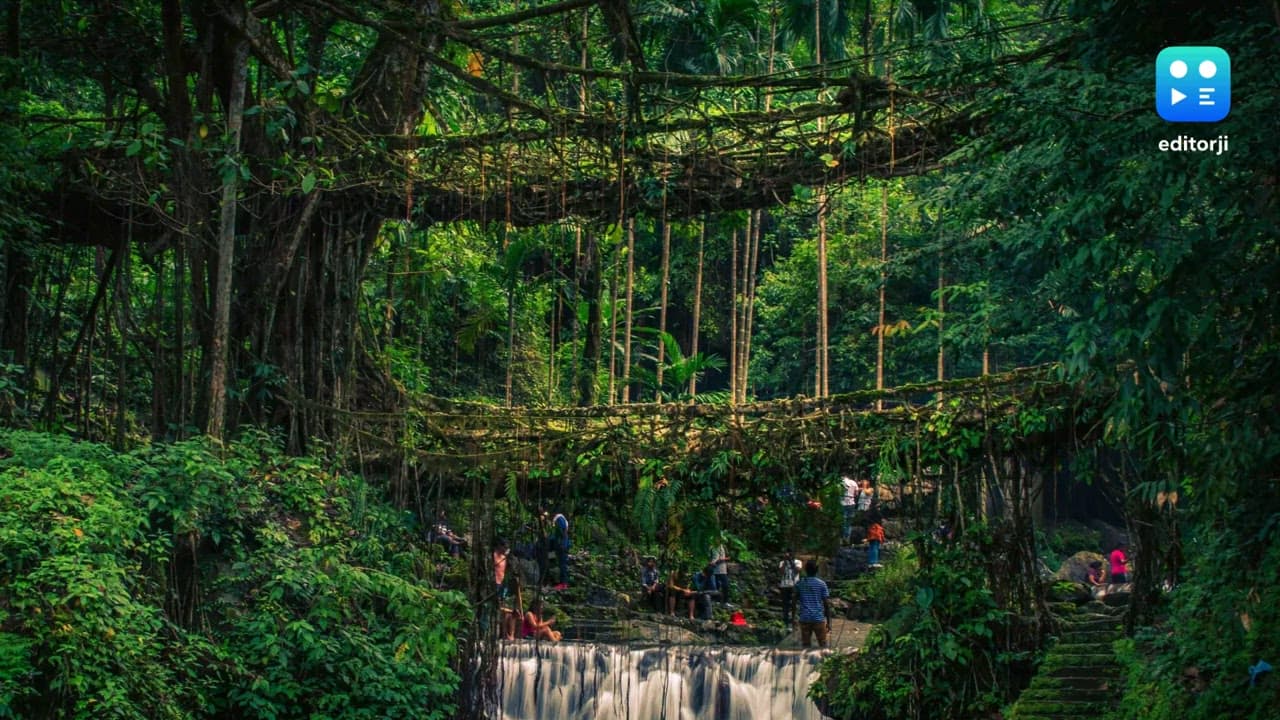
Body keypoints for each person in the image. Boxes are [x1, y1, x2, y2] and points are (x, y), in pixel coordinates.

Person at [795, 559, 831, 648]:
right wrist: (829, 622)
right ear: (817, 570)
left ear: (805, 570)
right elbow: (826, 604)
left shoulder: (800, 583)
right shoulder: (822, 584)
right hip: (818, 618)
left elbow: (793, 601)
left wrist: (793, 618)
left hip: (805, 618)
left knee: (806, 645)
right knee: (823, 644)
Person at [778, 549, 803, 627]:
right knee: (785, 604)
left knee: (794, 604)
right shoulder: (782, 562)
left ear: (793, 554)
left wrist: (791, 561)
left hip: (794, 585)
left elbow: (797, 571)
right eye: (787, 553)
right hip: (784, 586)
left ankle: (793, 620)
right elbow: (781, 572)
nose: (789, 554)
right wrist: (785, 562)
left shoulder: (798, 562)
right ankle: (785, 620)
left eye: (791, 553)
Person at [551, 509, 571, 588]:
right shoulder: (561, 518)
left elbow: (562, 531)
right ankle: (563, 583)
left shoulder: (559, 518)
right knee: (562, 564)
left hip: (562, 545)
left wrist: (560, 543)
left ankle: (563, 583)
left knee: (562, 564)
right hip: (563, 544)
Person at [841, 476, 859, 544]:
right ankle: (848, 538)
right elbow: (856, 494)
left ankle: (843, 538)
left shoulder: (841, 482)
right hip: (852, 503)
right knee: (849, 522)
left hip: (843, 503)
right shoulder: (854, 482)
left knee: (843, 521)